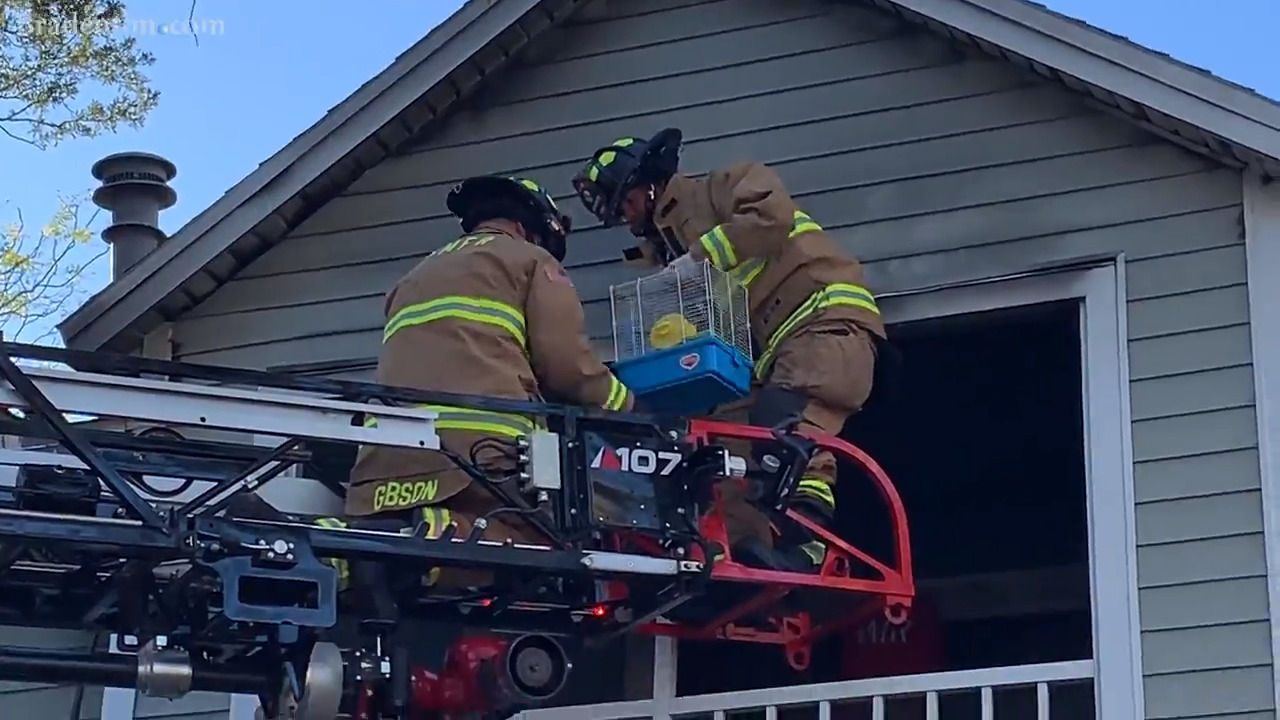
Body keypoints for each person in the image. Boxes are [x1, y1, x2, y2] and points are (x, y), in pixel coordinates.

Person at [571, 129, 892, 573]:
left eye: (625, 204)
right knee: (730, 456)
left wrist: (701, 256)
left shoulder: (723, 186)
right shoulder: (667, 253)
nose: (626, 219)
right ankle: (744, 560)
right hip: (766, 357)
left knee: (782, 429)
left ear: (647, 184)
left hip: (824, 320)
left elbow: (771, 215)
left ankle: (811, 551)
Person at [333, 174, 633, 589]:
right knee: (543, 548)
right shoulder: (529, 261)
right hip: (481, 455)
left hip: (384, 469)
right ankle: (423, 538)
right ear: (530, 229)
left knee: (380, 567)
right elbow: (566, 367)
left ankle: (343, 551)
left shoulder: (414, 276)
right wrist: (628, 408)